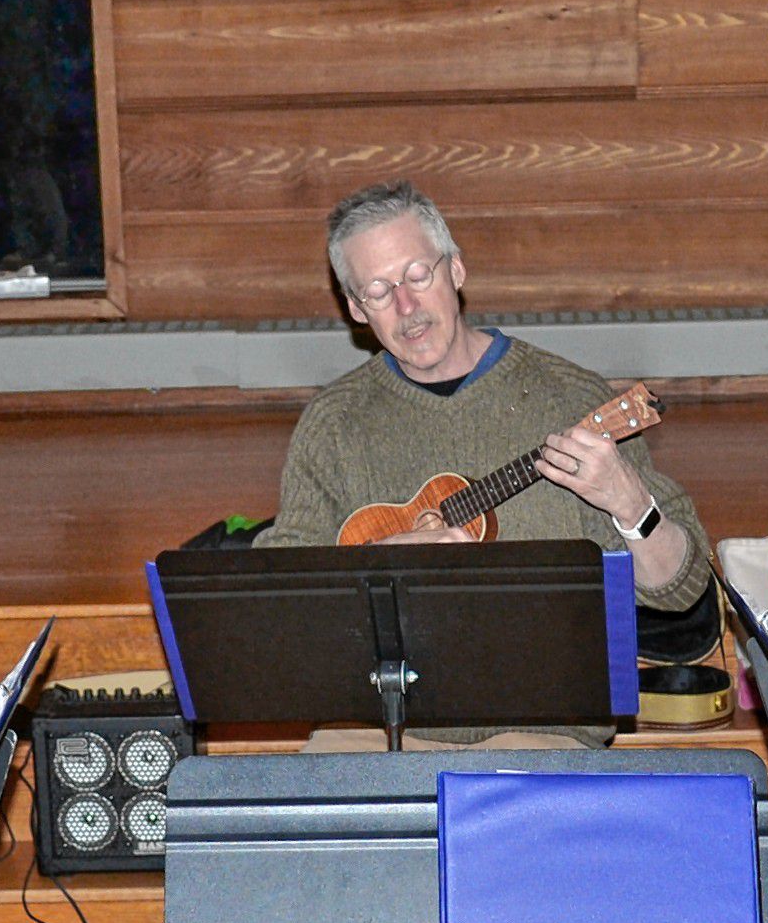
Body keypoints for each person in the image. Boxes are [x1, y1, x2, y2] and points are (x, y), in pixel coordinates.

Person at [258, 181, 715, 742]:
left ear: (455, 270)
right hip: (375, 732)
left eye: (418, 276)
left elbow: (680, 587)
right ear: (354, 308)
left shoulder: (572, 400)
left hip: (544, 730)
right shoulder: (334, 422)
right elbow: (275, 596)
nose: (406, 307)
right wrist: (380, 562)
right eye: (378, 290)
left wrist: (628, 503)